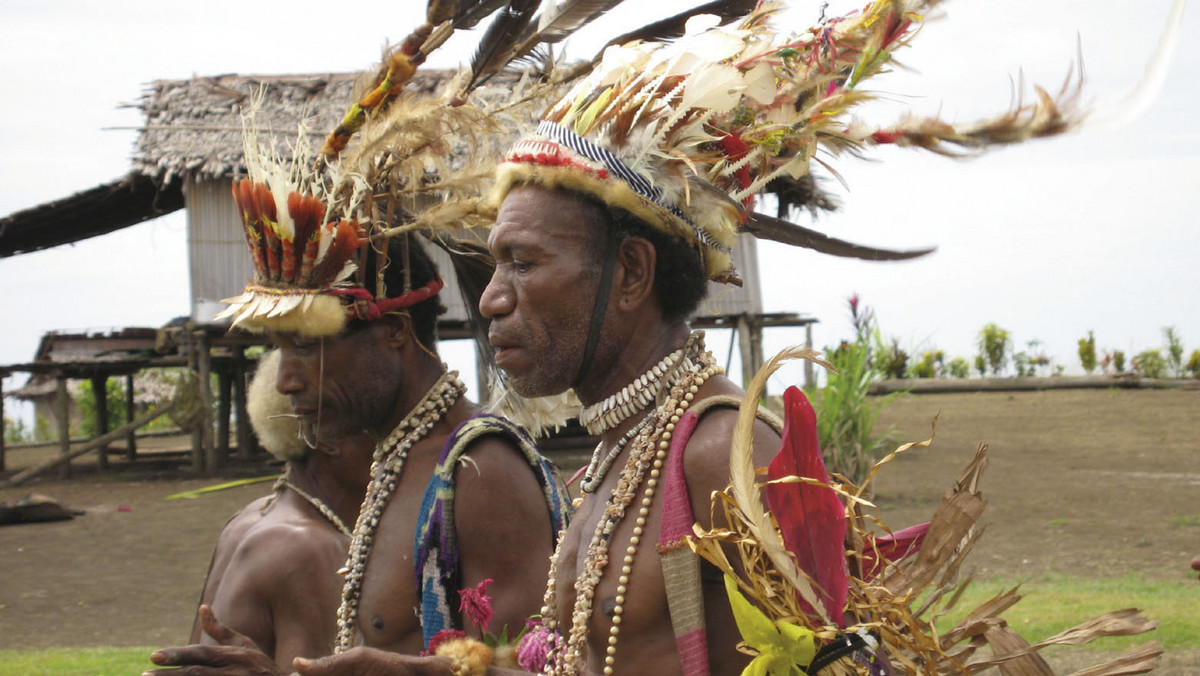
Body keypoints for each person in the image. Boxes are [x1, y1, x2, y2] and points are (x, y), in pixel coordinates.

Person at [289, 2, 1095, 674]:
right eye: (493, 267)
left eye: (523, 262)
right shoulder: (616, 454)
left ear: (632, 273)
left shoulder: (722, 456)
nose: (492, 300)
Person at [146, 130, 572, 675]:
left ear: (393, 332)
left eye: (306, 346)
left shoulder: (480, 468)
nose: (286, 381)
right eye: (279, 349)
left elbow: (545, 666)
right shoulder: (397, 461)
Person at [189, 349, 376, 669]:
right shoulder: (307, 546)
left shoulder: (254, 516)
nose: (402, 442)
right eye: (387, 425)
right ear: (326, 434)